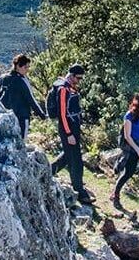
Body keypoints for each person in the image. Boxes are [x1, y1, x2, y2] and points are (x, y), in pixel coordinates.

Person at [50, 64, 94, 204]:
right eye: (79, 78)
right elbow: (62, 114)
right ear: (72, 75)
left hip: (73, 126)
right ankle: (80, 191)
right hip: (67, 128)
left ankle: (48, 172)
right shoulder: (63, 89)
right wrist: (69, 133)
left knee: (69, 155)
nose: (80, 80)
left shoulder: (70, 87)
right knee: (76, 160)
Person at [0, 53, 47, 137]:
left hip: (5, 117)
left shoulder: (1, 78)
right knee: (22, 141)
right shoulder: (22, 80)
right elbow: (31, 99)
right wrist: (42, 115)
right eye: (25, 67)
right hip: (22, 116)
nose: (27, 70)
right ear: (18, 66)